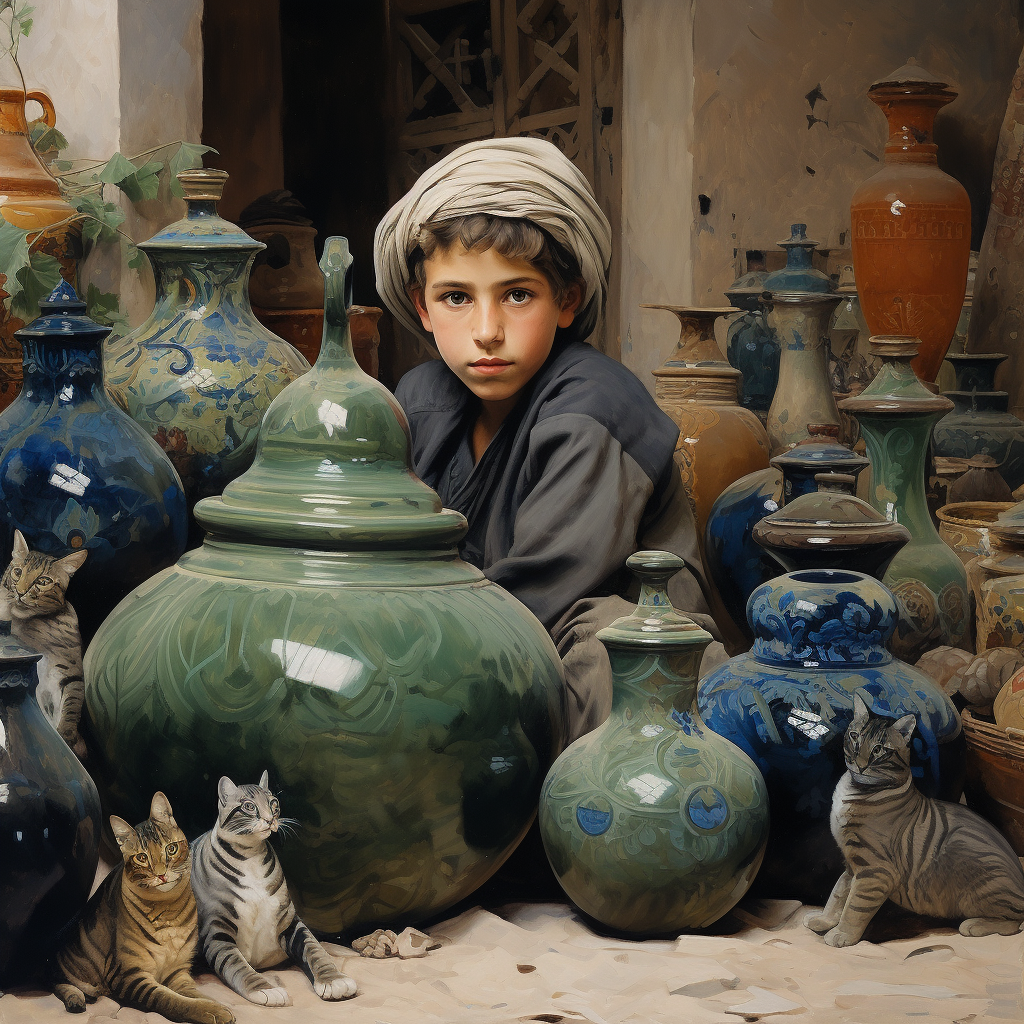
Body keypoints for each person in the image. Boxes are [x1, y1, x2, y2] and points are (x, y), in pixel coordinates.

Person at [374, 137, 721, 747]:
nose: (486, 332)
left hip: (591, 658)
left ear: (568, 300)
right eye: (455, 297)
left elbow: (539, 596)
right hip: (466, 644)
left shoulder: (595, 404)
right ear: (421, 308)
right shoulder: (419, 400)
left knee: (608, 641)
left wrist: (396, 661)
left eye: (517, 295)